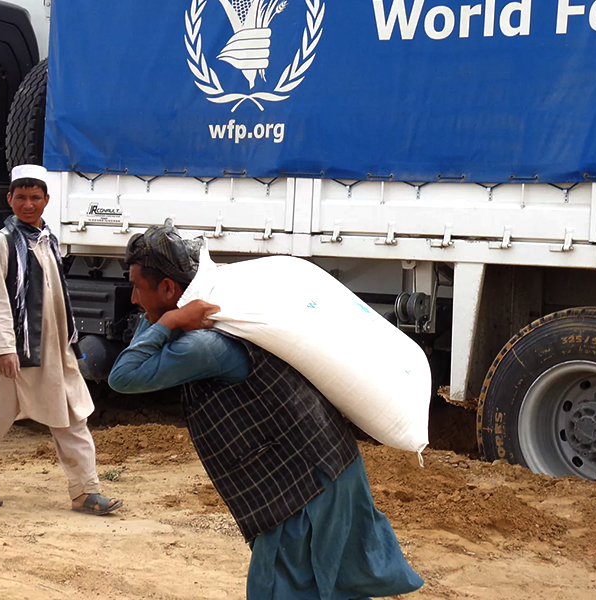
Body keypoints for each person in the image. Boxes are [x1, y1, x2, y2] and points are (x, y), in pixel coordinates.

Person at [108, 223, 424, 600]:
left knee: (283, 590)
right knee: (334, 585)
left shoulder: (204, 345)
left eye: (138, 287)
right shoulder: (226, 319)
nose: (132, 299)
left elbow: (124, 376)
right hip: (330, 466)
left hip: (302, 488)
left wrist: (169, 320)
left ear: (169, 289)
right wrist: (167, 317)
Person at [0, 164, 122, 515]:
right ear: (9, 199)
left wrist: (66, 346)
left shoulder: (48, 240)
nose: (28, 204)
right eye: (21, 197)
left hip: (55, 350)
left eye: (35, 197)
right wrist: (3, 349)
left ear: (46, 200)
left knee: (72, 416)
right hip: (16, 354)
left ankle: (85, 491)